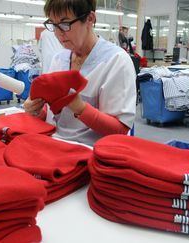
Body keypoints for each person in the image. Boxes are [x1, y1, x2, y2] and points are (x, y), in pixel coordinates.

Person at [23, 0, 136, 145]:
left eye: (65, 24)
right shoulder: (59, 59)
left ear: (90, 19)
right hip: (53, 144)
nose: (58, 33)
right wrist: (36, 110)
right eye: (53, 24)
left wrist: (81, 108)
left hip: (91, 153)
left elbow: (120, 130)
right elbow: (52, 116)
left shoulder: (116, 61)